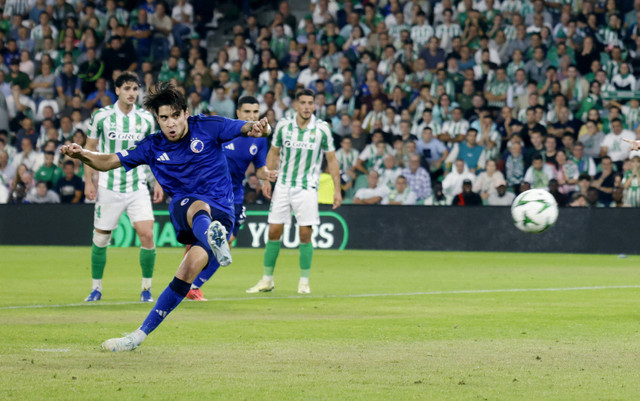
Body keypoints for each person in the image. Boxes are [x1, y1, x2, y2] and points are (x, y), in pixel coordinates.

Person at [59, 81, 270, 352]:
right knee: (192, 223)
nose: (170, 124)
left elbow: (242, 126)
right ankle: (138, 335)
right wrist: (82, 154)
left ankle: (138, 335)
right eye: (163, 118)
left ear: (184, 113)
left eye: (174, 116)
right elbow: (109, 161)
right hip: (189, 209)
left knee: (189, 265)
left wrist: (255, 128)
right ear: (157, 120)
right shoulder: (152, 146)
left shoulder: (207, 125)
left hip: (223, 212)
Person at [246, 89, 342, 295]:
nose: (307, 106)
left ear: (314, 106)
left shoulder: (322, 129)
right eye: (303, 103)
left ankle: (304, 281)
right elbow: (273, 152)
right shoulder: (284, 126)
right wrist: (266, 179)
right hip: (283, 185)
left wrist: (337, 189)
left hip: (307, 187)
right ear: (296, 106)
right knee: (273, 231)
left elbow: (332, 160)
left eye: (310, 103)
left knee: (305, 233)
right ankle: (267, 280)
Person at [81, 71, 162, 303]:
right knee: (101, 239)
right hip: (109, 186)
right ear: (116, 90)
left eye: (135, 89)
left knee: (147, 235)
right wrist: (89, 180)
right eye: (127, 89)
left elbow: (152, 153)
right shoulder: (101, 116)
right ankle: (96, 288)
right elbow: (90, 150)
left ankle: (146, 289)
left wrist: (156, 181)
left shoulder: (146, 119)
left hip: (137, 186)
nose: (132, 93)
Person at [186, 96, 277, 301]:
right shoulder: (224, 130)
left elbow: (260, 169)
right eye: (247, 112)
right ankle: (190, 283)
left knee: (225, 243)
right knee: (213, 242)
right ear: (238, 114)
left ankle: (193, 285)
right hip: (208, 192)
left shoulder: (260, 139)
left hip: (234, 196)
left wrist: (267, 175)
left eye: (255, 112)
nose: (252, 116)